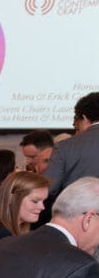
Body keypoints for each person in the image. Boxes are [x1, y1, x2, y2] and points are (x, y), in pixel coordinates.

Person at [0, 171, 49, 268]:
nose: (42, 207)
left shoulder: (12, 233)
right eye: (35, 201)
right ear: (11, 199)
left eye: (43, 201)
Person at [41, 92, 99, 223]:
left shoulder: (64, 147)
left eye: (76, 123)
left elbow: (49, 188)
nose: (75, 125)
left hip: (78, 220)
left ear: (84, 118)